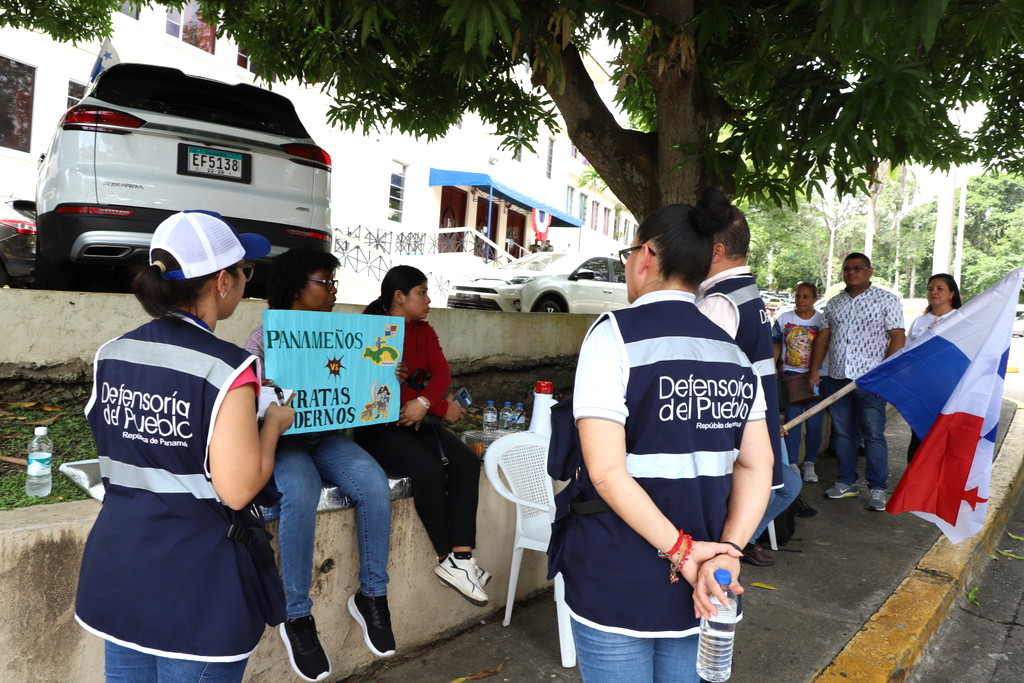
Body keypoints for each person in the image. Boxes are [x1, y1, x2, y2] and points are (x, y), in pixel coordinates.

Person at [551, 191, 774, 681]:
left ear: (646, 256)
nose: (630, 262)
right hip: (709, 583)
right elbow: (758, 466)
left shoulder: (614, 334)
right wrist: (726, 554)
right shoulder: (732, 353)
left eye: (629, 252)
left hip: (618, 575)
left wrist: (682, 552)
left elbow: (607, 473)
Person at [75, 211, 295, 683]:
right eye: (244, 270)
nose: (243, 280)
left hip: (121, 572)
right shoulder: (229, 368)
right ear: (222, 282)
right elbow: (237, 491)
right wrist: (273, 423)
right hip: (196, 589)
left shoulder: (112, 352)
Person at [244, 250, 396, 681]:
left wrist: (385, 374)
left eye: (333, 282)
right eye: (324, 282)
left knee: (372, 481)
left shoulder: (343, 333)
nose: (332, 290)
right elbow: (243, 403)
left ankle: (373, 596)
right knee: (300, 490)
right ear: (296, 287)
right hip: (284, 441)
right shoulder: (263, 338)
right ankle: (296, 615)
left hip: (325, 436)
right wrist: (264, 390)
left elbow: (360, 387)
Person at [356, 266, 491, 604]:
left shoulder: (424, 330)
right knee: (429, 471)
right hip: (380, 427)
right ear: (399, 297)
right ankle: (445, 557)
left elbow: (442, 374)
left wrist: (424, 403)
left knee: (466, 464)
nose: (429, 299)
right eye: (421, 292)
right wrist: (436, 408)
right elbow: (377, 389)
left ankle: (462, 558)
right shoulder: (373, 332)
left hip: (419, 418)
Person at [697, 210, 797, 568]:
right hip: (758, 417)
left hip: (735, 428)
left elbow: (705, 380)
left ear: (716, 250)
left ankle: (727, 548)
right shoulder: (748, 294)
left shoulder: (719, 303)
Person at [807, 253, 906, 511]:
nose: (851, 273)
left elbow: (897, 337)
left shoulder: (887, 300)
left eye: (857, 268)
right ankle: (846, 483)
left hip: (870, 382)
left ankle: (877, 488)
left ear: (869, 271)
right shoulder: (834, 303)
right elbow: (823, 338)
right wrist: (815, 371)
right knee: (842, 434)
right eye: (847, 269)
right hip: (837, 379)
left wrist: (885, 372)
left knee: (873, 435)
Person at [905, 273, 962, 461]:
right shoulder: (920, 321)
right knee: (919, 435)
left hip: (949, 389)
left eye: (940, 289)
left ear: (951, 293)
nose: (934, 292)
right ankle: (914, 483)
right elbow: (907, 354)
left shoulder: (961, 320)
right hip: (921, 389)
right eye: (930, 289)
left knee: (945, 436)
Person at [773, 282, 827, 483]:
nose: (801, 300)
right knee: (792, 422)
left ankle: (810, 462)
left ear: (815, 298)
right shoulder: (784, 318)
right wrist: (773, 367)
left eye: (806, 296)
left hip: (818, 378)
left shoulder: (822, 321)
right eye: (798, 296)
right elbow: (776, 344)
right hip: (791, 376)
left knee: (814, 423)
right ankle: (793, 463)